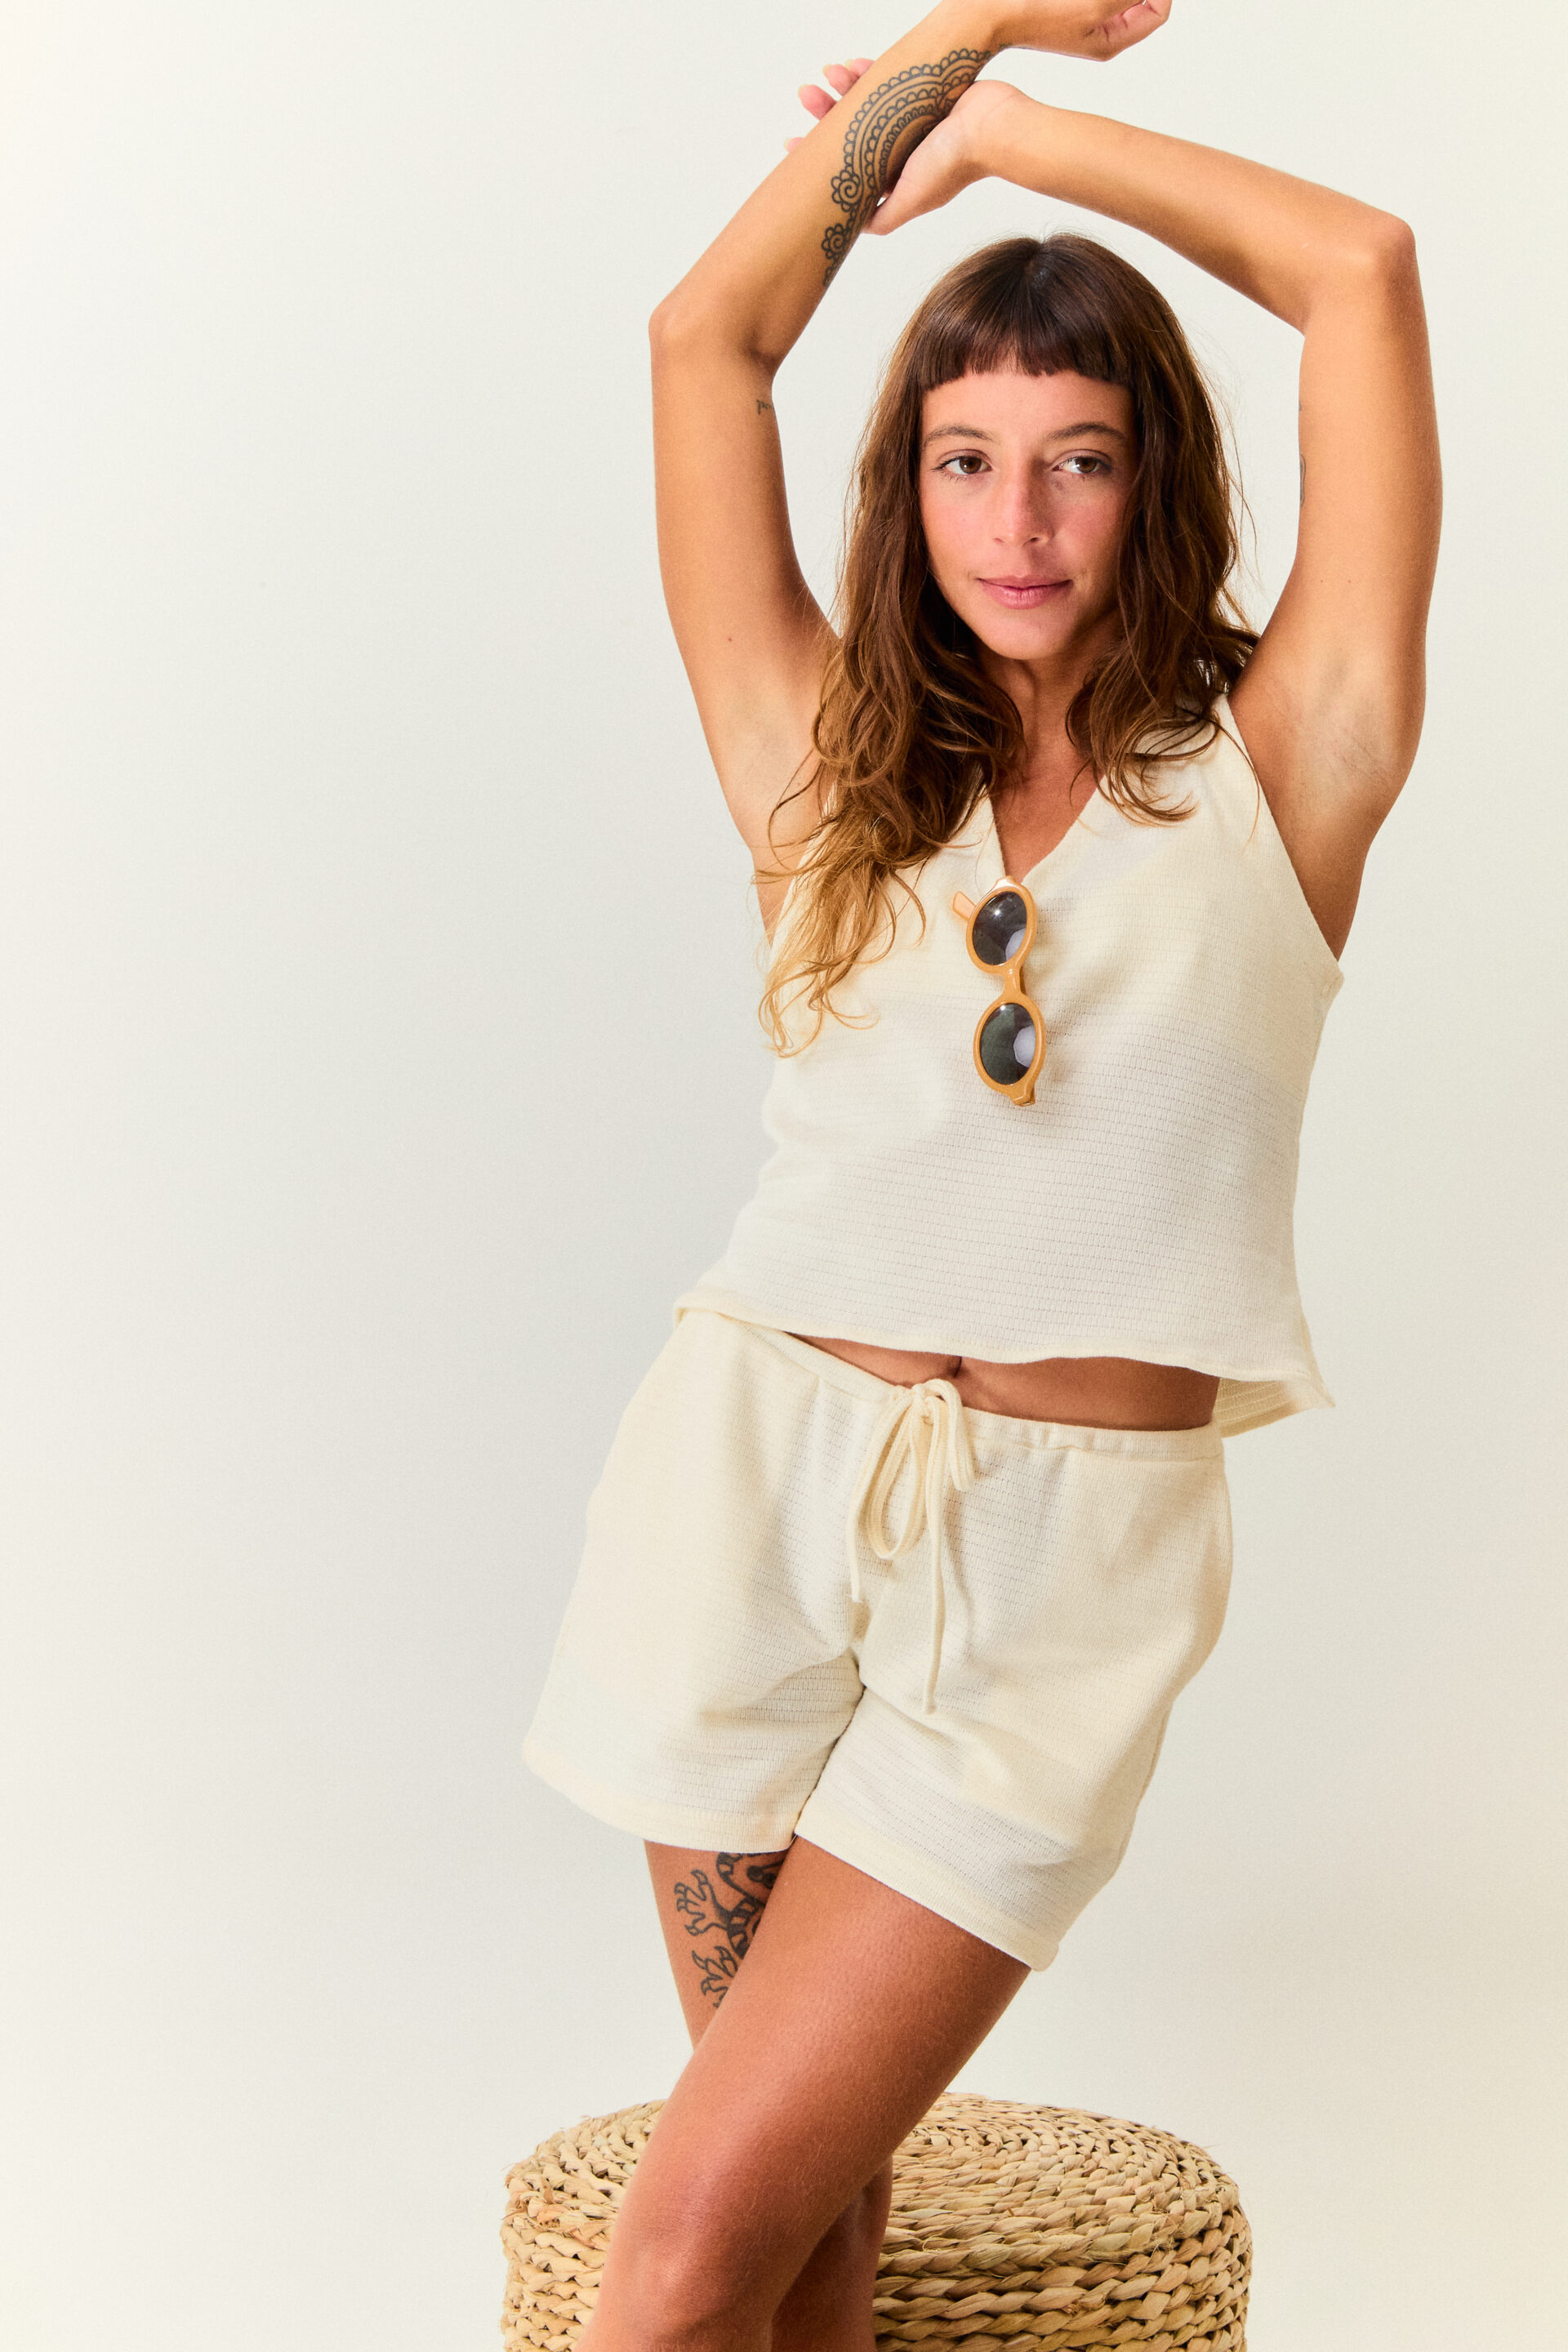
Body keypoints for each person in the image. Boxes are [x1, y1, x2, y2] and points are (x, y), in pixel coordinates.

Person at [523, 4, 1440, 2345]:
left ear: (1159, 483)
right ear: (905, 487)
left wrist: (1020, 132)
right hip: (749, 1495)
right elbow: (703, 343)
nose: (1017, 522)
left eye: (1078, 459)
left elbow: (1360, 269)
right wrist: (966, 23)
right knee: (790, 2232)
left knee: (684, 2246)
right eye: (964, 459)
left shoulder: (1289, 762)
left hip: (1056, 1588)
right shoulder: (827, 766)